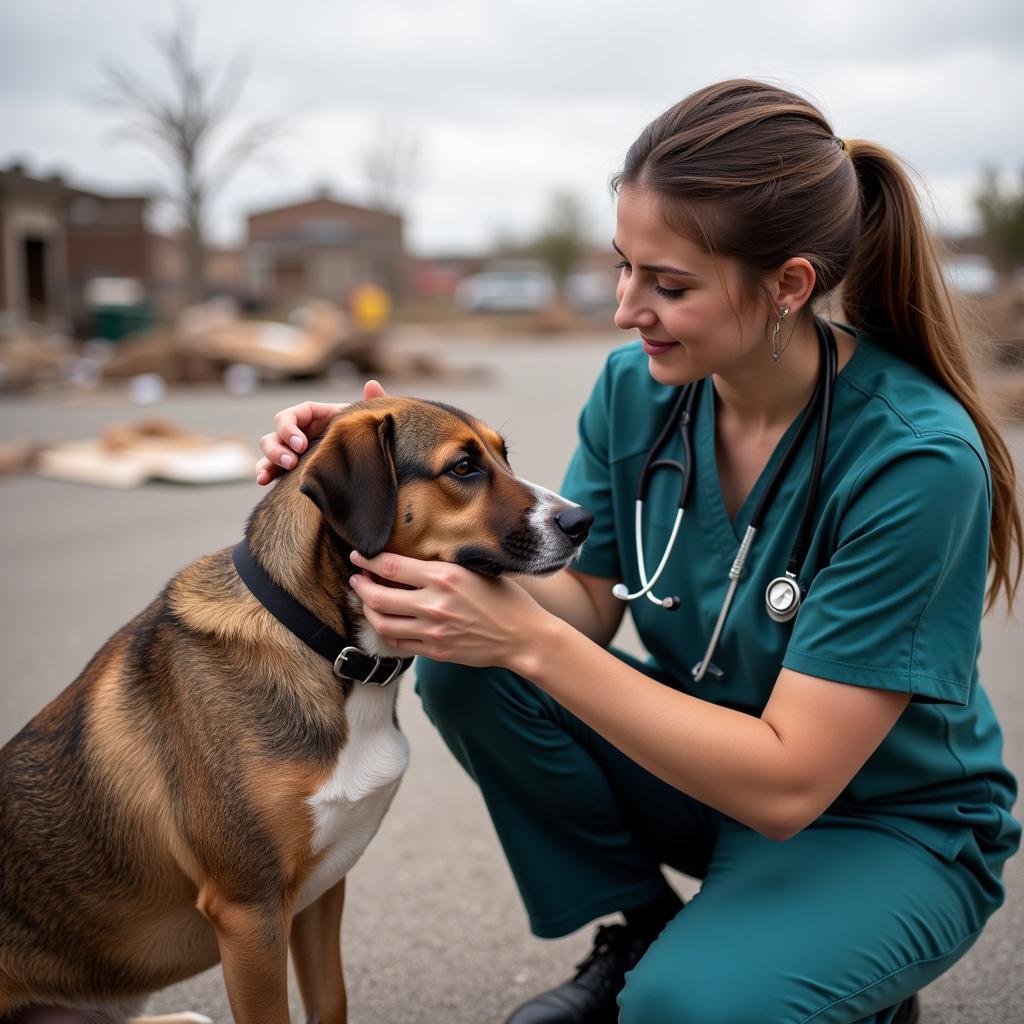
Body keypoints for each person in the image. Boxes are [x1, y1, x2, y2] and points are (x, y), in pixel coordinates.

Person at [256, 80, 1022, 1024]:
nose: (626, 310)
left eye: (669, 285)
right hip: (706, 768)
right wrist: (373, 469)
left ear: (788, 286)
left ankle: (821, 963)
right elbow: (583, 599)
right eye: (624, 268)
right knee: (469, 673)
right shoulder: (639, 391)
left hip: (876, 823)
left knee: (684, 1011)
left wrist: (528, 643)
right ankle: (656, 930)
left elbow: (788, 783)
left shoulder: (915, 460)